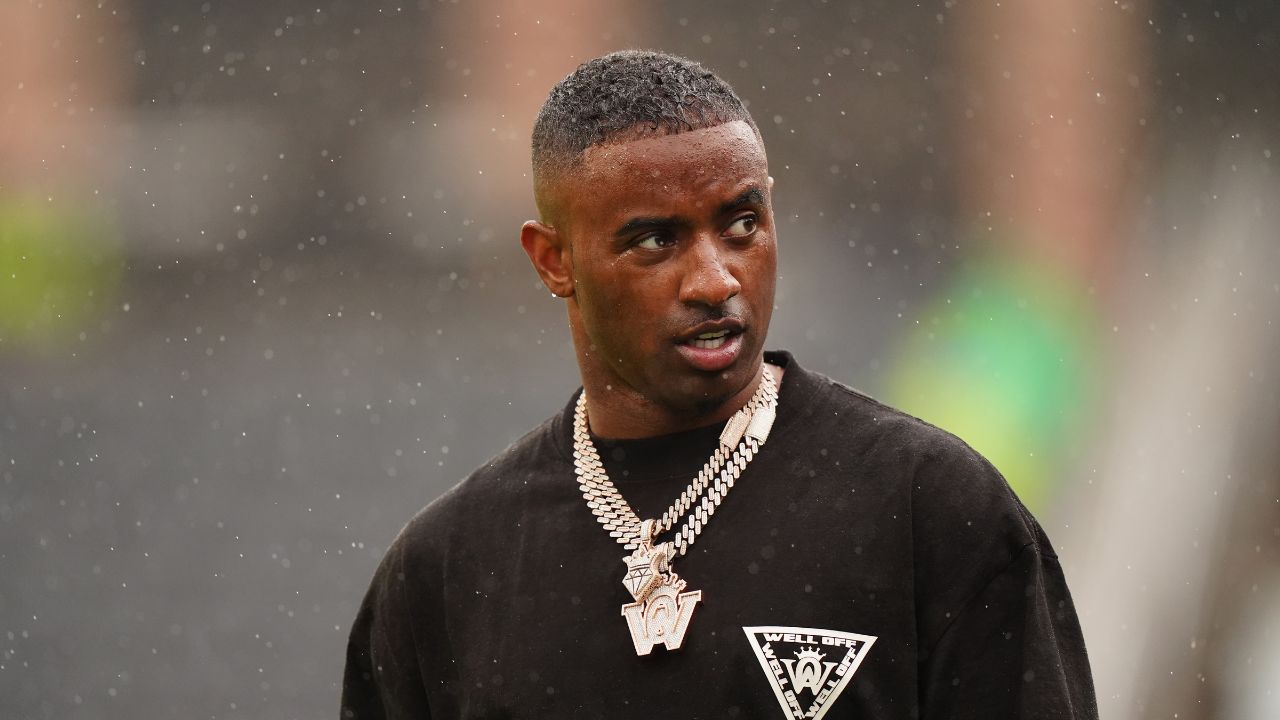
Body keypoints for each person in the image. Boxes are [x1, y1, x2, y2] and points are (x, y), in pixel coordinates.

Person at [341, 50, 1098, 720]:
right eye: (655, 239)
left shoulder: (931, 507)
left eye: (741, 224)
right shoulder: (445, 571)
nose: (715, 279)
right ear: (554, 261)